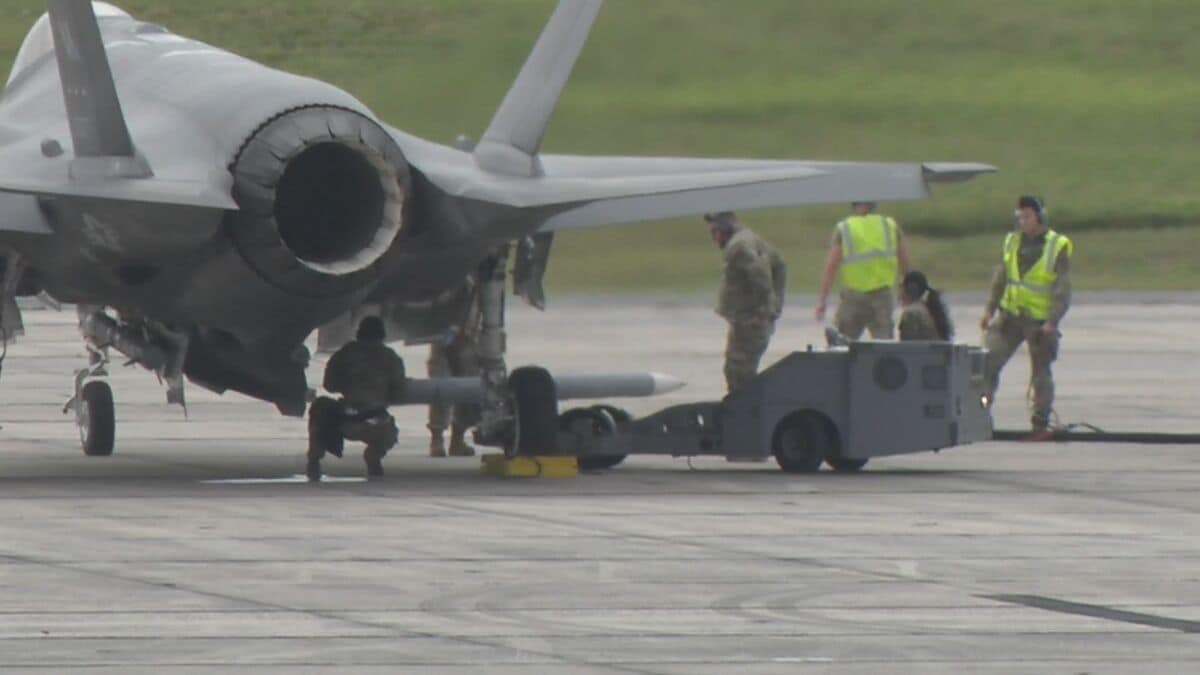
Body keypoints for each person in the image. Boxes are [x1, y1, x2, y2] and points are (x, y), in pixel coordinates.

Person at [978, 196, 1072, 438]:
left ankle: (1040, 421)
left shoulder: (1056, 246)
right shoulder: (1012, 242)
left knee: (1041, 374)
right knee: (987, 363)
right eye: (1019, 217)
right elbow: (1001, 278)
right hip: (1009, 317)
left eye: (1027, 216)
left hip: (1039, 323)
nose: (1022, 221)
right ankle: (980, 414)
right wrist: (989, 308)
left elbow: (1062, 289)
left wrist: (1053, 321)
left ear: (1040, 217)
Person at [307, 316, 407, 481]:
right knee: (390, 430)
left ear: (359, 333)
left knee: (320, 408)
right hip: (377, 424)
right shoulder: (391, 358)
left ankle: (314, 458)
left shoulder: (346, 354)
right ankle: (373, 456)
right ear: (382, 335)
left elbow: (329, 385)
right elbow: (398, 393)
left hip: (346, 419)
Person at [706, 211, 787, 392]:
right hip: (750, 320)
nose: (714, 239)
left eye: (715, 232)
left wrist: (763, 311)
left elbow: (761, 278)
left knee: (738, 372)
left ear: (726, 229)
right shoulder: (750, 238)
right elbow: (779, 264)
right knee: (743, 370)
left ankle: (745, 414)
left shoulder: (738, 248)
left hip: (749, 321)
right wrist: (775, 306)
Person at [815, 201, 911, 339]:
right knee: (884, 349)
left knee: (843, 347)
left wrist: (822, 300)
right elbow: (905, 263)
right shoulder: (889, 225)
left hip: (854, 298)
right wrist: (907, 292)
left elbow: (831, 267)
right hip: (882, 297)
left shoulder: (845, 228)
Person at [427, 278, 482, 457]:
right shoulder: (453, 277)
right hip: (447, 336)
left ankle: (455, 440)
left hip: (466, 336)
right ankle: (438, 439)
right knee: (441, 387)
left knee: (466, 389)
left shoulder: (473, 280)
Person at [897, 271, 954, 341]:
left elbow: (907, 347)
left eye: (901, 287)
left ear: (910, 289)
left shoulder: (911, 314)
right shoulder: (933, 308)